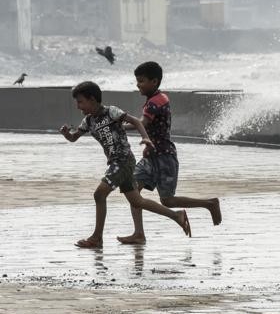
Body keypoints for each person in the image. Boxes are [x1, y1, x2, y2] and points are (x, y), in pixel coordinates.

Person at [59, 81, 191, 248]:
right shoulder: (88, 121)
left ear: (92, 99)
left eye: (80, 102)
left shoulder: (111, 112)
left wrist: (146, 138)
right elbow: (74, 137)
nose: (78, 106)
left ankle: (97, 238)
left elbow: (136, 121)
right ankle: (176, 216)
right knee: (138, 201)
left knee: (99, 195)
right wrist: (66, 134)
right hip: (117, 163)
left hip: (123, 162)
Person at [118, 61, 221, 245]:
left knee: (168, 200)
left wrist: (120, 127)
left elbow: (144, 122)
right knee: (133, 192)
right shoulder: (158, 99)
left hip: (164, 157)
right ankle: (139, 234)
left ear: (154, 81)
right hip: (150, 157)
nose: (138, 85)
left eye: (141, 81)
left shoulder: (155, 102)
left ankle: (209, 203)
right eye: (137, 81)